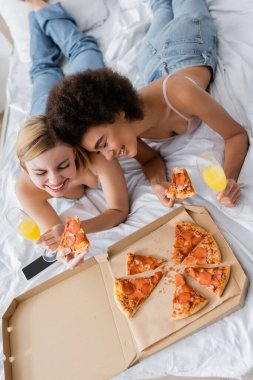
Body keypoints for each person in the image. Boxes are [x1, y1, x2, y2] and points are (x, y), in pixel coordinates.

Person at [46, 0, 249, 209]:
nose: (109, 155)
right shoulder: (127, 131)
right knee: (160, 6)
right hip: (150, 60)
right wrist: (158, 183)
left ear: (117, 112)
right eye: (99, 152)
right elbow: (149, 160)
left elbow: (235, 135)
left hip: (187, 41)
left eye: (104, 143)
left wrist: (229, 179)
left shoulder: (182, 94)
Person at [15, 0, 129, 266]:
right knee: (43, 69)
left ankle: (39, 8)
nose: (54, 181)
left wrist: (76, 229)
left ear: (76, 149)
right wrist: (67, 245)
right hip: (38, 117)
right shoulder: (26, 190)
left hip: (62, 113)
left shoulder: (97, 156)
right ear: (24, 167)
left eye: (64, 165)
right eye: (40, 173)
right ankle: (36, 11)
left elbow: (119, 210)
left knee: (83, 49)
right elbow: (59, 236)